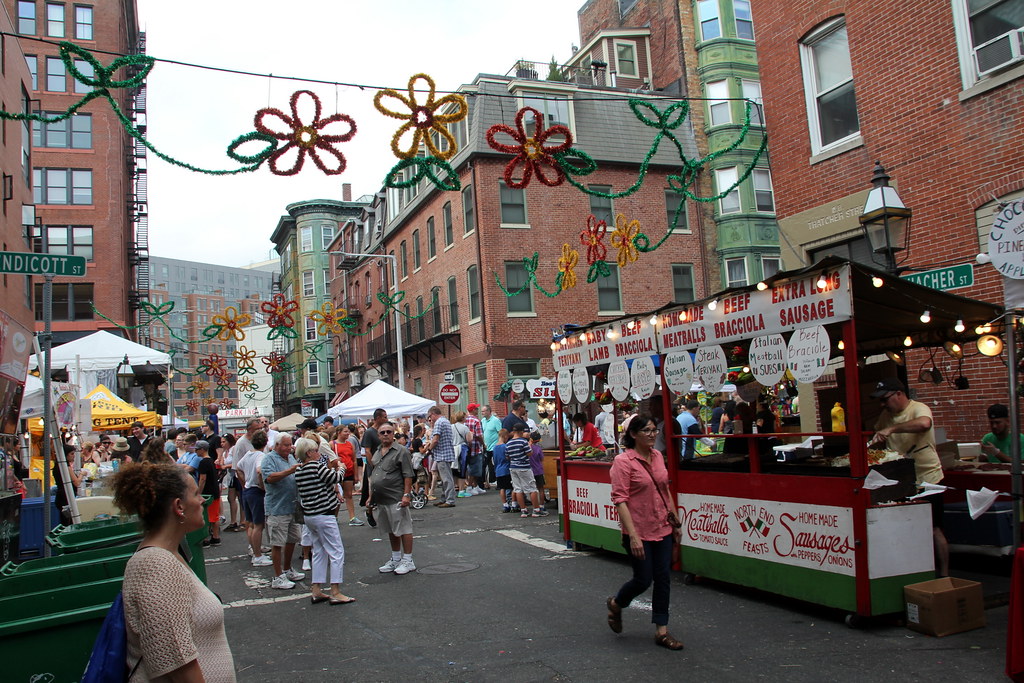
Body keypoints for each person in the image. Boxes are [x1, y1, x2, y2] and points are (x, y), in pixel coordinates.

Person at [112, 462, 236, 681]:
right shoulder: (155, 564)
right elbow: (174, 662)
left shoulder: (169, 554)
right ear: (179, 506)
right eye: (196, 494)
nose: (202, 500)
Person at [606, 414, 684, 651]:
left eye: (654, 430)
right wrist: (633, 535)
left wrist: (675, 520)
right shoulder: (623, 462)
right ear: (633, 435)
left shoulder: (658, 456)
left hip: (662, 526)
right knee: (643, 579)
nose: (652, 435)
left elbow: (664, 488)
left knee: (663, 578)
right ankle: (617, 603)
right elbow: (620, 500)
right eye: (646, 431)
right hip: (637, 530)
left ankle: (662, 630)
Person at [868, 377, 948, 577]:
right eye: (880, 401)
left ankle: (944, 574)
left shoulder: (918, 408)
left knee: (933, 528)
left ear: (899, 394)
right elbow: (878, 434)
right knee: (906, 526)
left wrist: (892, 429)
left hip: (928, 478)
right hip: (901, 481)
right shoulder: (885, 416)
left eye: (885, 399)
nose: (883, 404)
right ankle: (913, 571)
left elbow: (924, 424)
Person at [294, 436, 354, 604]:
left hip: (310, 515)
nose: (318, 453)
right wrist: (341, 467)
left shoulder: (299, 470)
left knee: (319, 552)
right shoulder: (316, 467)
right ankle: (335, 591)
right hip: (324, 514)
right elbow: (335, 478)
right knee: (336, 551)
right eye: (315, 450)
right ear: (309, 453)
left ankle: (316, 589)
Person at [368, 422, 417, 575]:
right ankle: (396, 558)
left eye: (389, 431)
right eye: (382, 432)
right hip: (382, 498)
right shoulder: (378, 451)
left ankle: (408, 560)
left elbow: (408, 474)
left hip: (396, 496)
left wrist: (406, 494)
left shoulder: (401, 451)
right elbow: (375, 474)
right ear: (378, 435)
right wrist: (371, 496)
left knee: (403, 528)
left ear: (393, 433)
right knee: (391, 529)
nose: (385, 434)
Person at [261, 433, 306, 589]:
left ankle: (287, 569)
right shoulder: (269, 458)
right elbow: (269, 478)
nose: (289, 448)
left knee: (293, 538)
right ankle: (277, 576)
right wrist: (290, 471)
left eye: (290, 444)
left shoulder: (291, 458)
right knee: (277, 543)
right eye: (286, 445)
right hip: (277, 507)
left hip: (292, 505)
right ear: (277, 445)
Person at [235, 430, 271, 568]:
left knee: (250, 523)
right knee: (258, 525)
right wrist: (263, 486)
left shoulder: (248, 454)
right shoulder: (261, 456)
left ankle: (254, 550)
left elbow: (238, 468)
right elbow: (259, 471)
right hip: (256, 491)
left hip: (247, 491)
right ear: (265, 442)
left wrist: (244, 483)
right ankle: (257, 555)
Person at [507, 425, 544, 517]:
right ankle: (536, 510)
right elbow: (529, 453)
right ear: (520, 432)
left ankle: (524, 510)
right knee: (532, 488)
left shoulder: (509, 443)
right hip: (524, 467)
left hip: (513, 467)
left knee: (518, 489)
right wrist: (529, 447)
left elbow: (507, 456)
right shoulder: (523, 442)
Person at [332, 424, 363, 526]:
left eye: (348, 431)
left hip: (349, 472)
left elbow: (354, 460)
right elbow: (329, 459)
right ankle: (335, 517)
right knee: (337, 495)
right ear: (339, 433)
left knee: (348, 495)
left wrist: (355, 475)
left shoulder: (350, 444)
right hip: (338, 473)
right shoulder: (332, 444)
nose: (347, 433)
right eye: (345, 431)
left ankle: (352, 517)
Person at [427, 406, 457, 508]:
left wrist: (429, 449)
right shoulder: (445, 421)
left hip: (442, 454)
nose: (430, 419)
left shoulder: (439, 422)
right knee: (446, 478)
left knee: (446, 478)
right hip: (446, 453)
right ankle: (445, 498)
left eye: (430, 416)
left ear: (433, 414)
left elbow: (435, 439)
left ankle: (450, 500)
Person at [195, 440, 222, 547]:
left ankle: (206, 538)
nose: (196, 451)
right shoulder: (211, 460)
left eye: (197, 449)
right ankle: (215, 537)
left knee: (206, 516)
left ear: (202, 449)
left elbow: (202, 479)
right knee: (214, 516)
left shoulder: (203, 463)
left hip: (207, 492)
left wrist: (198, 493)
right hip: (215, 491)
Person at [53, 442, 82, 525]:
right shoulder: (66, 467)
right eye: (72, 454)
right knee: (69, 522)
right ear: (65, 455)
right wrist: (81, 474)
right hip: (66, 498)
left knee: (65, 521)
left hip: (62, 497)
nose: (74, 456)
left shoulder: (57, 466)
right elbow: (76, 482)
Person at [222, 433, 243, 532]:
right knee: (231, 498)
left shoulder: (234, 449)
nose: (222, 444)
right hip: (230, 477)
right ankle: (233, 521)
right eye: (221, 442)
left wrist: (226, 466)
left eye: (224, 442)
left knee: (241, 498)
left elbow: (236, 462)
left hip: (237, 475)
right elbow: (222, 462)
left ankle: (243, 521)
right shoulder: (224, 452)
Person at [464, 403, 486, 494]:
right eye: (476, 409)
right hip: (475, 447)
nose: (477, 410)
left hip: (466, 447)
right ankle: (469, 486)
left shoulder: (464, 420)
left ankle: (475, 486)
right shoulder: (476, 420)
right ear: (473, 410)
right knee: (476, 468)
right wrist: (483, 444)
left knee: (470, 467)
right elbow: (479, 435)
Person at [480, 404, 502, 488]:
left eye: (484, 411)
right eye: (482, 411)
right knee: (484, 465)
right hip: (486, 447)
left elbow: (500, 432)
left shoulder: (495, 420)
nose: (482, 413)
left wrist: (499, 443)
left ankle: (499, 483)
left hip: (495, 446)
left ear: (489, 411)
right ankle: (484, 483)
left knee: (497, 464)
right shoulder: (483, 421)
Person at [493, 429, 514, 512]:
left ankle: (505, 504)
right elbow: (508, 457)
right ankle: (513, 503)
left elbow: (494, 459)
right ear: (505, 436)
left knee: (502, 488)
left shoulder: (495, 447)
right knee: (511, 487)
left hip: (498, 470)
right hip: (506, 469)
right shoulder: (505, 446)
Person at [529, 430, 548, 508]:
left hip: (530, 471)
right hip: (539, 470)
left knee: (532, 489)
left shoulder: (528, 448)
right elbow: (542, 459)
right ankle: (542, 505)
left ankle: (535, 505)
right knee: (541, 489)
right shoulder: (538, 448)